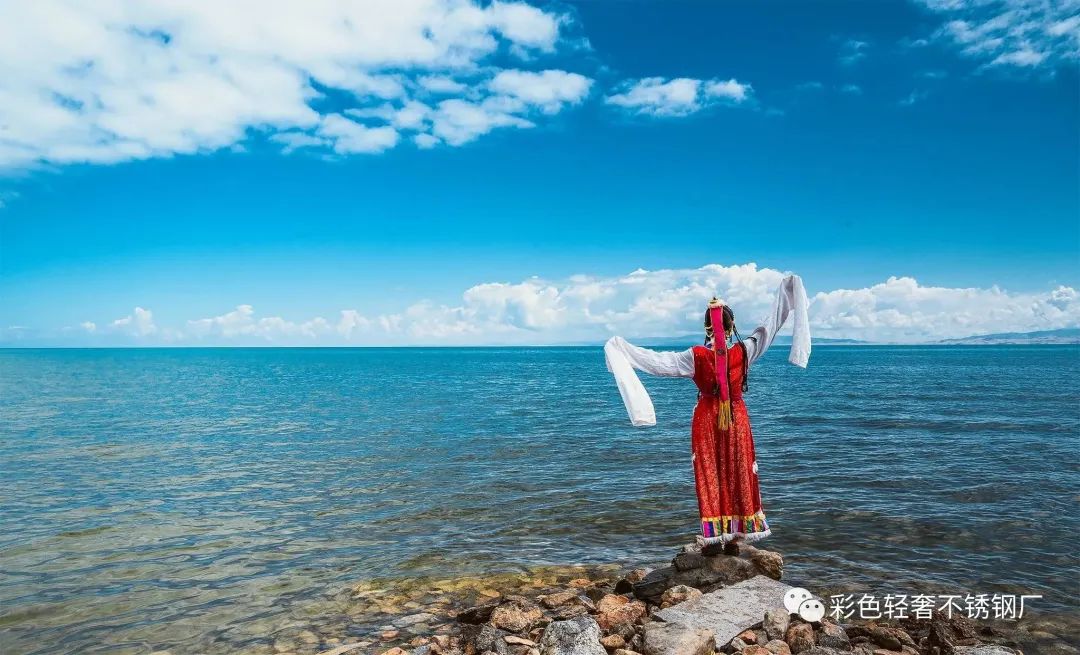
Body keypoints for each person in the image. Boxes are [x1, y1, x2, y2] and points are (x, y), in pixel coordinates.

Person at [604, 274, 811, 555]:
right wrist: (787, 292)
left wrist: (623, 349)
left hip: (706, 417)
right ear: (732, 325)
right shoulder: (745, 350)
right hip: (736, 416)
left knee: (709, 471)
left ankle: (713, 535)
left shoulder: (695, 355)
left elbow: (658, 363)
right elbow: (768, 328)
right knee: (738, 469)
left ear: (706, 326)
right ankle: (737, 537)